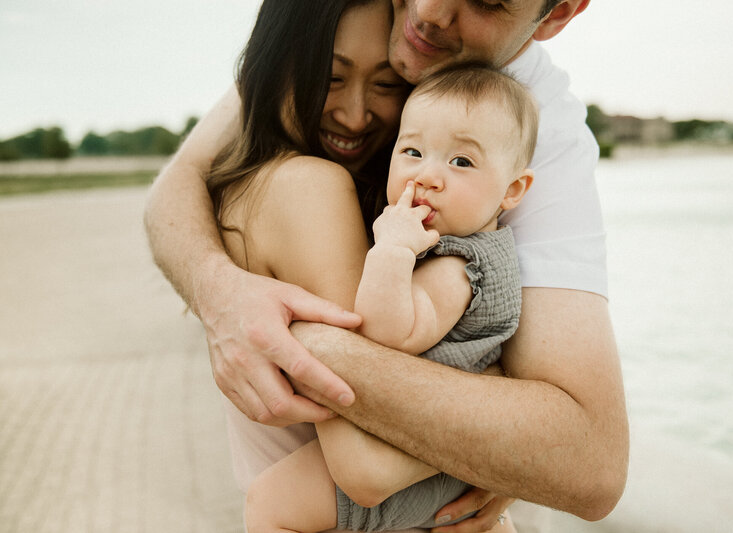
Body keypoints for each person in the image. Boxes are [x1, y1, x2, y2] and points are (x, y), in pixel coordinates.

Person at [145, 0, 629, 528]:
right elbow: (367, 466)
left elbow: (589, 464)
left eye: (388, 86)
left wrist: (509, 459)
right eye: (330, 77)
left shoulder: (520, 121)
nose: (429, 14)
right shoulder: (308, 183)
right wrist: (223, 297)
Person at [245, 64, 537, 533]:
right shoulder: (462, 247)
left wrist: (391, 251)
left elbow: (385, 333)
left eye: (460, 162)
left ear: (512, 190)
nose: (427, 176)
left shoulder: (460, 266)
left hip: (420, 459)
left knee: (270, 503)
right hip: (437, 448)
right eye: (413, 151)